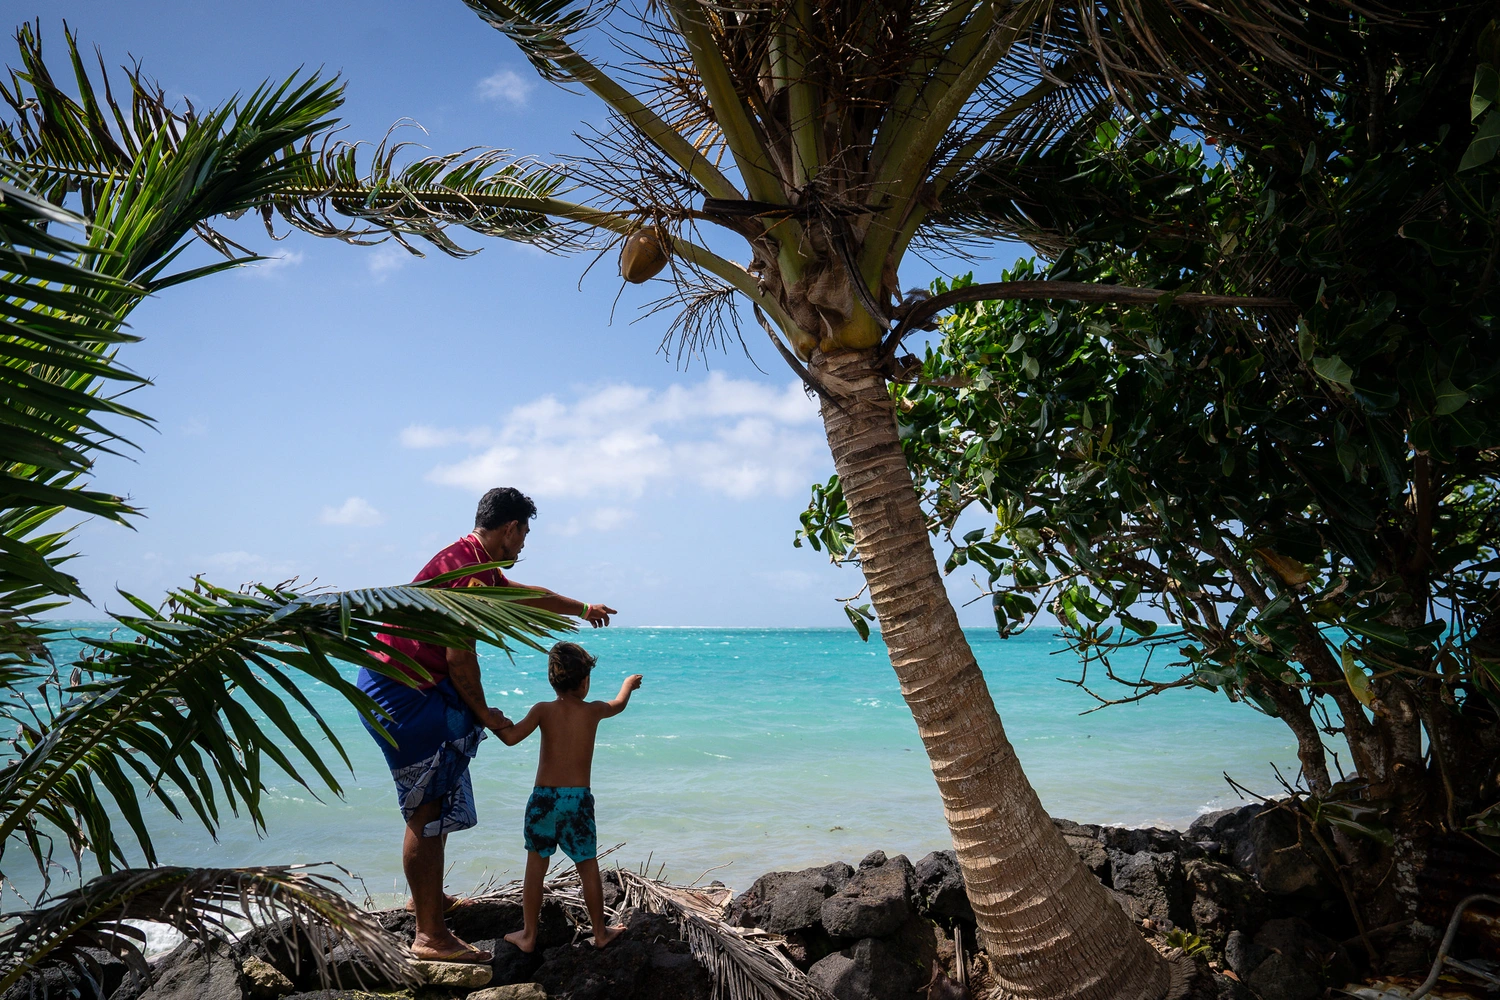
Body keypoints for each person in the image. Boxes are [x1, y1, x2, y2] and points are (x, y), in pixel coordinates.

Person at [356, 487, 618, 963]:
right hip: (400, 690)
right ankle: (430, 934)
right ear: (510, 528)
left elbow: (528, 597)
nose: (524, 546)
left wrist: (582, 609)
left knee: (436, 787)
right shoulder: (468, 574)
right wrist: (486, 715)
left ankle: (426, 901)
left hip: (397, 683)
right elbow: (459, 659)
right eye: (524, 535)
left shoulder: (471, 560)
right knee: (426, 805)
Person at [493, 641, 642, 951]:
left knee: (536, 866)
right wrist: (628, 684)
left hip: (543, 801)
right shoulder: (594, 710)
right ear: (585, 681)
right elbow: (620, 703)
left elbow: (510, 738)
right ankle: (600, 932)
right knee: (587, 865)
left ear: (553, 680)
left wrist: (493, 719)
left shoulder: (542, 710)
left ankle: (529, 935)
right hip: (577, 801)